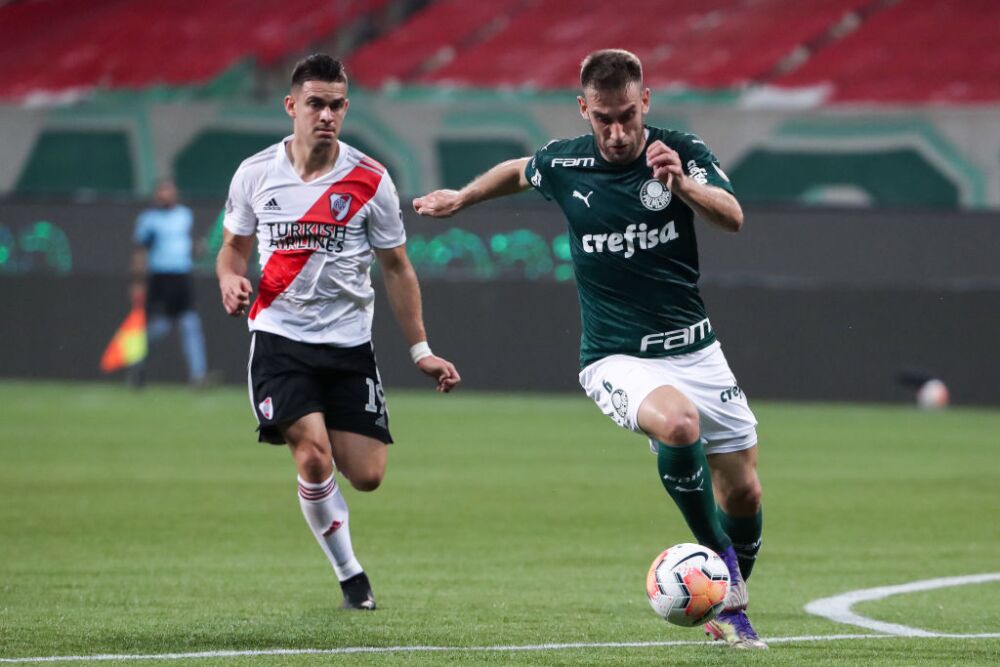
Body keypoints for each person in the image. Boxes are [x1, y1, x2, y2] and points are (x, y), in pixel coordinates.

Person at [414, 49, 766, 649]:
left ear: (645, 102)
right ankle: (727, 579)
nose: (618, 131)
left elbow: (732, 216)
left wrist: (680, 183)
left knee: (744, 491)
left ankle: (718, 600)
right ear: (584, 110)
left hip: (697, 350)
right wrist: (461, 199)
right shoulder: (564, 162)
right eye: (603, 118)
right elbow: (518, 170)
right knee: (679, 426)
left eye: (628, 114)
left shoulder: (681, 152)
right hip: (615, 356)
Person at [216, 54, 460, 611]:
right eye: (315, 104)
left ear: (346, 109)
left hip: (349, 346)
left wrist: (420, 349)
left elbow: (397, 267)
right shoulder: (255, 173)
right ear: (291, 107)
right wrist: (230, 280)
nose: (326, 114)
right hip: (279, 341)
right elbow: (233, 248)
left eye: (336, 105)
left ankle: (343, 544)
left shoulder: (370, 179)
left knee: (368, 475)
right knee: (312, 457)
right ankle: (351, 576)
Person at [130, 178, 208, 386]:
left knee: (190, 325)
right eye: (162, 191)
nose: (166, 194)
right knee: (158, 328)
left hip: (182, 276)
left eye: (169, 190)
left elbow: (189, 245)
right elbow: (140, 252)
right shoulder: (148, 219)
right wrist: (138, 283)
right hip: (161, 277)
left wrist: (198, 249)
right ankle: (138, 366)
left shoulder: (185, 215)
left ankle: (198, 376)